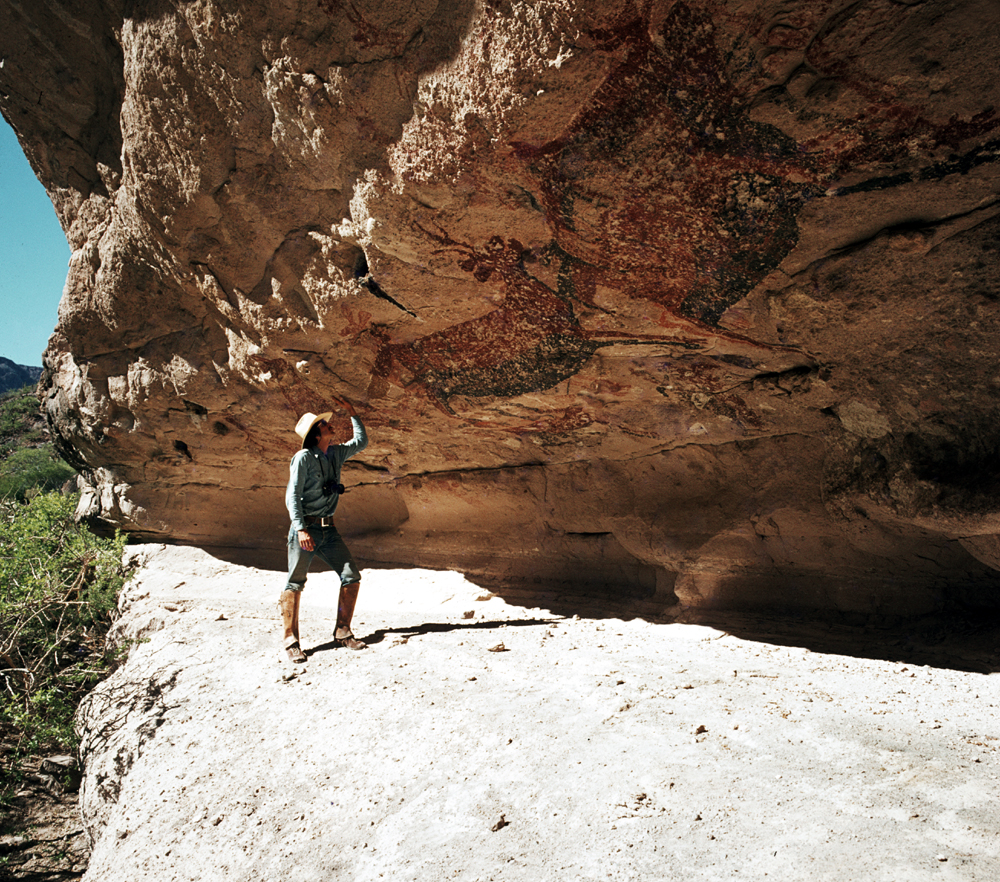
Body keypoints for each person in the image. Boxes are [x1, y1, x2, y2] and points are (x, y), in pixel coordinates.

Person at [279, 403, 368, 662]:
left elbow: (361, 442)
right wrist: (300, 529)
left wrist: (354, 412)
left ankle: (342, 632)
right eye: (323, 424)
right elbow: (292, 496)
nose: (329, 424)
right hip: (306, 530)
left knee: (351, 575)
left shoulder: (336, 453)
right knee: (295, 583)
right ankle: (290, 642)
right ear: (316, 434)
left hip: (329, 530)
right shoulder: (303, 458)